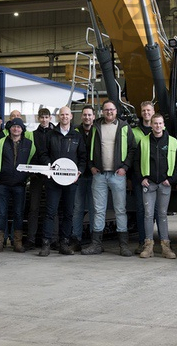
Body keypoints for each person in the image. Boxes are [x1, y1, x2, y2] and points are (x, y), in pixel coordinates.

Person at [81, 100, 137, 257]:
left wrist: (125, 167)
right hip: (99, 175)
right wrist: (91, 166)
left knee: (120, 210)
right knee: (99, 210)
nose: (109, 112)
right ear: (102, 112)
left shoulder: (124, 127)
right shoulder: (95, 127)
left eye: (111, 110)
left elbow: (132, 149)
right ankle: (96, 244)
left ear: (116, 111)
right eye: (106, 110)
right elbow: (87, 148)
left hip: (117, 175)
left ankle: (123, 245)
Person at [38, 105, 88, 256]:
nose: (64, 117)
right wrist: (50, 167)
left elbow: (83, 158)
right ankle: (46, 243)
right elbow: (43, 154)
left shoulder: (77, 136)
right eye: (62, 114)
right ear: (59, 117)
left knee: (68, 213)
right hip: (53, 181)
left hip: (71, 181)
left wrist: (79, 171)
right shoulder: (51, 135)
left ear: (71, 116)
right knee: (50, 212)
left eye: (67, 114)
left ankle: (64, 243)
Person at [137, 112, 177, 258]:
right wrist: (141, 178)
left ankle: (165, 247)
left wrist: (172, 179)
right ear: (151, 125)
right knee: (148, 214)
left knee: (162, 214)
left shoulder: (172, 142)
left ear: (163, 125)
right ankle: (148, 246)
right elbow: (136, 161)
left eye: (160, 123)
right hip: (149, 184)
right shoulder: (144, 141)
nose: (157, 126)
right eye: (154, 123)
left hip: (165, 184)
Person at [0, 117, 34, 253]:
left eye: (19, 127)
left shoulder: (29, 144)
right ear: (10, 128)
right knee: (1, 213)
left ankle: (17, 242)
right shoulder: (2, 142)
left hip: (19, 185)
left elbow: (33, 161)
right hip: (3, 184)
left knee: (18, 213)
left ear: (22, 129)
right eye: (14, 126)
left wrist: (26, 177)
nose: (16, 129)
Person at [24, 107, 54, 249]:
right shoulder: (32, 134)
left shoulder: (55, 134)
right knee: (34, 207)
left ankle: (53, 239)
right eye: (41, 117)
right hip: (36, 175)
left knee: (52, 207)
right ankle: (31, 239)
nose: (44, 120)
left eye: (46, 117)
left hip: (51, 175)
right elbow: (29, 152)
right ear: (38, 118)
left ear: (50, 118)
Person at [70, 104, 97, 247]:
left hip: (95, 176)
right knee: (78, 208)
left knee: (94, 208)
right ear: (81, 116)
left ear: (94, 116)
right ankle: (76, 239)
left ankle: (94, 239)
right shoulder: (75, 132)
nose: (87, 117)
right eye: (85, 115)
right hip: (78, 176)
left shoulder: (98, 131)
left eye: (89, 115)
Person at [130, 101, 155, 246]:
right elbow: (131, 155)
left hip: (156, 178)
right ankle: (142, 241)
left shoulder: (161, 129)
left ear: (153, 112)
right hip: (139, 178)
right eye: (144, 111)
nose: (146, 113)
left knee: (155, 211)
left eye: (149, 111)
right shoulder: (134, 131)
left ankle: (151, 238)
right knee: (141, 209)